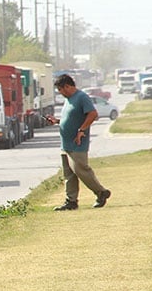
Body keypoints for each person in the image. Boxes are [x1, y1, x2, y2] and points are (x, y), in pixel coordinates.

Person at [44, 74, 111, 210]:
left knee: (81, 169)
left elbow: (93, 114)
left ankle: (101, 192)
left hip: (77, 143)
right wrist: (57, 121)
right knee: (69, 174)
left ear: (67, 86)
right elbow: (70, 118)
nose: (61, 93)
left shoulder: (81, 97)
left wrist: (82, 130)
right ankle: (71, 201)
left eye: (61, 90)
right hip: (66, 144)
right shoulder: (69, 100)